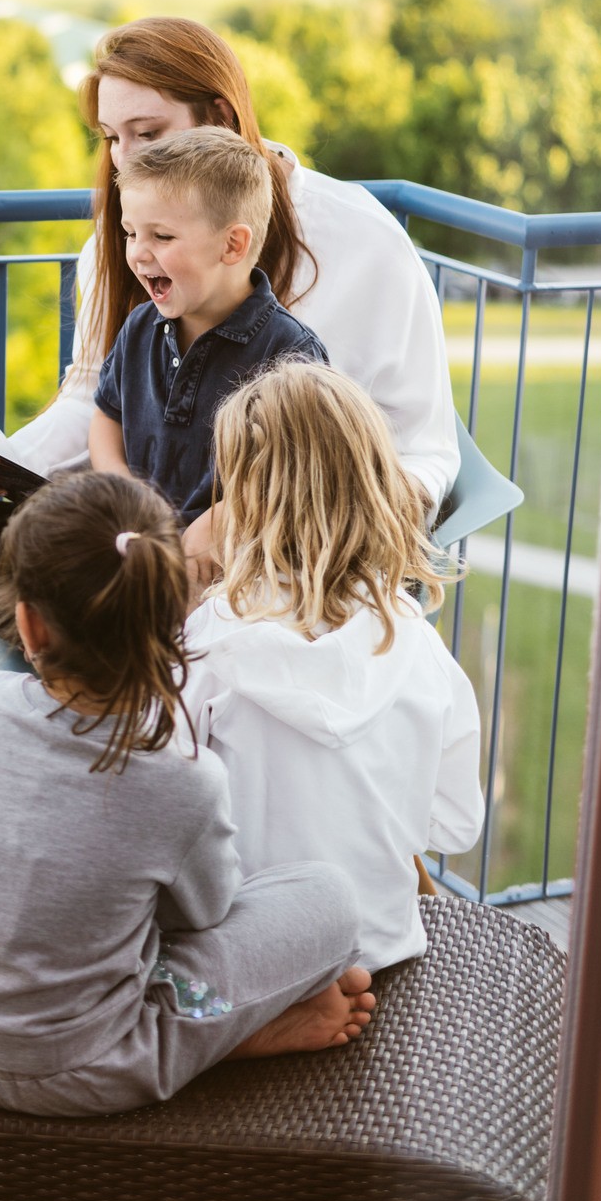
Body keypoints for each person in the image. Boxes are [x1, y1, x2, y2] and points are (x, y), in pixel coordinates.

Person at [0, 14, 457, 613]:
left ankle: (138, 653)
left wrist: (264, 522)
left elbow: (424, 451)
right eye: (111, 138)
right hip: (152, 528)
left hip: (301, 537)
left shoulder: (364, 242)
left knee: (206, 591)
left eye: (148, 134)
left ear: (219, 120)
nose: (122, 163)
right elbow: (93, 399)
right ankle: (134, 646)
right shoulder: (125, 250)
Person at [0, 472, 375, 1117]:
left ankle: (202, 1029)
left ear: (27, 625)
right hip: (75, 1072)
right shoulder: (182, 779)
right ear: (176, 620)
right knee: (329, 898)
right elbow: (203, 917)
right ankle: (218, 1036)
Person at [182, 363, 485, 969]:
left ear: (247, 499)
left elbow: (165, 803)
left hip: (253, 960)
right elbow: (456, 826)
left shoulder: (211, 639)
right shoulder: (419, 644)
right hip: (382, 949)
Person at [90, 125, 327, 548]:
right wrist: (123, 490)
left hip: (239, 575)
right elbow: (107, 418)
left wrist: (216, 526)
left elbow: (294, 480)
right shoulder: (140, 327)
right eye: (131, 233)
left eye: (161, 236)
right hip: (143, 549)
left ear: (232, 246)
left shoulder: (291, 356)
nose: (138, 253)